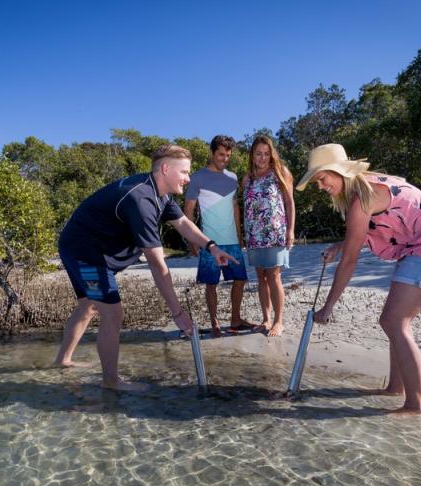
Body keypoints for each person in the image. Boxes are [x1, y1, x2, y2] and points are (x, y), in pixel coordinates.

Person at [296, 143, 421, 415]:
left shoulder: (362, 199)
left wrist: (328, 307)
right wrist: (340, 246)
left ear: (337, 172)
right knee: (393, 320)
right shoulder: (367, 188)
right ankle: (396, 388)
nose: (320, 186)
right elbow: (359, 238)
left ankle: (414, 405)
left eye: (321, 179)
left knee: (395, 321)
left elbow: (350, 262)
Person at [53, 144, 237, 390]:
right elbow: (157, 265)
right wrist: (178, 314)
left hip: (86, 248)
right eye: (184, 172)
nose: (188, 178)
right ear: (165, 169)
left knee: (88, 305)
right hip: (85, 254)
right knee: (112, 312)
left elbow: (183, 223)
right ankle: (111, 382)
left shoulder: (160, 194)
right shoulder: (141, 200)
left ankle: (62, 360)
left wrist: (211, 246)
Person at [184, 135, 255, 337]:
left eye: (228, 155)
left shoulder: (232, 178)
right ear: (212, 153)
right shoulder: (197, 177)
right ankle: (215, 323)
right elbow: (188, 210)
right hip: (209, 242)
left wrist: (240, 235)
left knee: (240, 280)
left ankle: (235, 319)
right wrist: (192, 239)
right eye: (221, 154)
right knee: (212, 284)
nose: (224, 159)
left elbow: (234, 207)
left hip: (232, 240)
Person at [242, 135, 295, 337]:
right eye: (258, 154)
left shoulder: (280, 172)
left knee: (274, 276)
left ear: (271, 154)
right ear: (252, 155)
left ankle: (278, 322)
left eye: (266, 154)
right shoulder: (248, 178)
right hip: (254, 234)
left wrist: (290, 230)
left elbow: (289, 203)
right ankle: (265, 319)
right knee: (260, 277)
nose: (262, 158)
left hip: (275, 232)